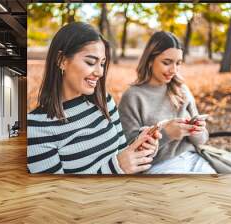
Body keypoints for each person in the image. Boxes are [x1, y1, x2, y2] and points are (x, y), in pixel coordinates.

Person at [27, 22, 160, 174]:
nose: (100, 72)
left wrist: (140, 147)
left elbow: (122, 153)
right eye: (90, 62)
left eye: (102, 64)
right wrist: (117, 168)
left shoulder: (105, 102)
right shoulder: (36, 128)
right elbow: (56, 194)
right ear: (61, 60)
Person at [118, 31, 216, 174]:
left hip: (193, 159)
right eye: (166, 62)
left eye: (178, 63)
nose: (174, 70)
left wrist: (197, 130)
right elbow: (130, 150)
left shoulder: (181, 89)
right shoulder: (133, 96)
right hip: (159, 167)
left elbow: (202, 140)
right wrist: (167, 134)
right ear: (150, 61)